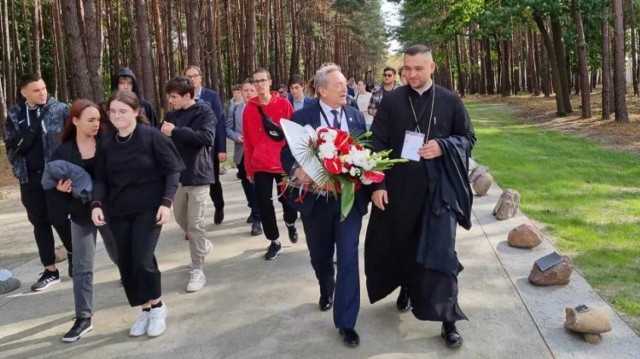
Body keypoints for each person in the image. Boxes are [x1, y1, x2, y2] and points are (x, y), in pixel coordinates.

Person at [364, 44, 476, 348]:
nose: (412, 74)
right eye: (407, 68)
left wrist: (443, 146)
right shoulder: (392, 100)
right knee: (402, 245)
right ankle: (407, 287)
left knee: (442, 254)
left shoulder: (451, 101)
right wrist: (378, 185)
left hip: (440, 193)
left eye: (418, 68)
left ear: (432, 67)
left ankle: (448, 320)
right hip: (399, 190)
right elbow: (376, 143)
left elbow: (468, 139)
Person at [281, 65, 369, 348]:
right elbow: (286, 152)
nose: (346, 89)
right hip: (315, 203)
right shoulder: (302, 117)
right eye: (339, 85)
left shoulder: (355, 116)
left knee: (348, 258)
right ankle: (325, 286)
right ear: (321, 90)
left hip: (348, 202)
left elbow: (365, 153)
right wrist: (296, 170)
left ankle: (347, 322)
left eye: (345, 84)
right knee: (320, 255)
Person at [91, 90, 185, 338]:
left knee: (142, 258)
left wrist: (166, 202)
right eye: (112, 112)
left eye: (122, 111)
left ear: (135, 111)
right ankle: (144, 309)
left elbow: (172, 170)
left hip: (150, 209)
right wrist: (96, 204)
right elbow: (100, 178)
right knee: (126, 261)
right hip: (118, 211)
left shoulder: (151, 137)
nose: (116, 116)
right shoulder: (107, 142)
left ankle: (157, 307)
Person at [48, 99, 118, 342]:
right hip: (80, 214)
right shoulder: (63, 151)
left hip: (109, 211)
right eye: (91, 120)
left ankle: (133, 279)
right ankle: (83, 317)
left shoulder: (109, 143)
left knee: (118, 254)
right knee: (82, 268)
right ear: (75, 121)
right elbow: (52, 183)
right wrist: (61, 188)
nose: (97, 124)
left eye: (98, 119)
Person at [4, 73, 72, 291]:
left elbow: (73, 143)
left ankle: (75, 259)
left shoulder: (61, 109)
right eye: (36, 90)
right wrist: (19, 172)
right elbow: (11, 146)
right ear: (24, 93)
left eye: (43, 88)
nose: (42, 93)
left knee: (60, 220)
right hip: (30, 179)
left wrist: (68, 174)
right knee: (39, 223)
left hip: (56, 179)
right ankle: (50, 270)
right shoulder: (15, 114)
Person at [161, 76, 215, 292]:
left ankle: (198, 269)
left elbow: (207, 137)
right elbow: (161, 138)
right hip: (176, 176)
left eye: (173, 97)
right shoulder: (171, 114)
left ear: (187, 96)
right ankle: (202, 244)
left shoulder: (204, 111)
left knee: (195, 224)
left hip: (198, 176)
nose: (170, 101)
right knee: (183, 220)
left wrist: (175, 131)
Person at [243, 68, 299, 260]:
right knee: (264, 205)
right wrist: (248, 168)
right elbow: (248, 141)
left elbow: (293, 134)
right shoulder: (249, 109)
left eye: (262, 80)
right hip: (260, 165)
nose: (259, 84)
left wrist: (296, 163)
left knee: (288, 201)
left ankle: (290, 223)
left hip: (283, 163)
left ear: (270, 82)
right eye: (256, 81)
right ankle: (274, 241)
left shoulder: (284, 104)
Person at [183, 66, 227, 225]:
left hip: (210, 146)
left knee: (213, 180)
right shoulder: (183, 97)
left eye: (195, 76)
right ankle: (192, 221)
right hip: (189, 147)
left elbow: (219, 122)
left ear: (201, 77)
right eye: (188, 76)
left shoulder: (212, 96)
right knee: (189, 184)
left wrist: (221, 149)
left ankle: (219, 205)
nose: (192, 79)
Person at [225, 80, 262, 236]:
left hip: (259, 154)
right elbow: (228, 127)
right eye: (245, 90)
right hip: (242, 152)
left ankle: (257, 218)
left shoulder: (262, 109)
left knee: (258, 186)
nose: (248, 93)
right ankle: (253, 208)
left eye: (251, 90)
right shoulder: (235, 109)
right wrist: (236, 136)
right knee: (247, 185)